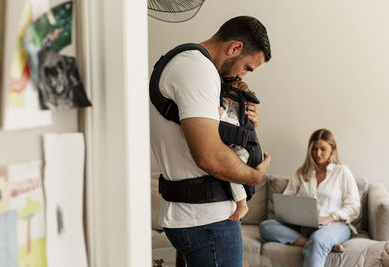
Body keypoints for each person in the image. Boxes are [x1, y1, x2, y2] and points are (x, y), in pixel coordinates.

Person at [150, 16, 272, 267]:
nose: (243, 74)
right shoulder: (197, 69)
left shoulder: (193, 67)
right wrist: (254, 176)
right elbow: (209, 155)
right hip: (206, 220)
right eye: (247, 67)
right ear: (235, 48)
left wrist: (247, 126)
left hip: (200, 217)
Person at [259, 128, 361, 267]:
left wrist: (331, 217)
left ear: (332, 149)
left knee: (319, 239)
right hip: (304, 226)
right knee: (266, 226)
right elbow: (287, 199)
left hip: (335, 225)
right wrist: (294, 216)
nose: (318, 154)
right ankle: (314, 242)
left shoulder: (342, 171)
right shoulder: (302, 172)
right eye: (314, 149)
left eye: (323, 149)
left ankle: (318, 242)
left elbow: (354, 207)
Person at [218, 80, 257, 221]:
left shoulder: (238, 109)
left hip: (240, 150)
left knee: (232, 172)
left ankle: (242, 204)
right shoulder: (223, 101)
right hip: (228, 148)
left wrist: (222, 115)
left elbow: (234, 124)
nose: (228, 97)